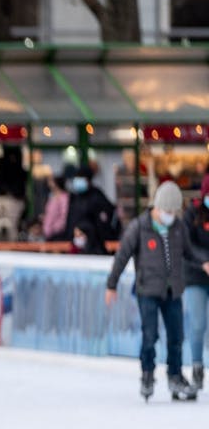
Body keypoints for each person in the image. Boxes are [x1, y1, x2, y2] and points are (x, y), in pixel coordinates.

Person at [105, 181, 209, 402]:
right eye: (168, 211)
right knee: (150, 336)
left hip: (173, 291)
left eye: (174, 211)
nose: (171, 215)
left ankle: (175, 375)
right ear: (157, 207)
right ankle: (148, 373)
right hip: (148, 290)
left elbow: (189, 253)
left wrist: (204, 262)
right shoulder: (139, 227)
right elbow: (122, 256)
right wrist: (111, 285)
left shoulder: (178, 227)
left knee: (176, 337)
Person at [185, 172, 209, 390]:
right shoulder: (192, 214)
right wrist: (204, 262)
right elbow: (187, 245)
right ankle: (197, 365)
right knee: (198, 323)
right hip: (195, 276)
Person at [66, 165, 117, 243]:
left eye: (81, 178)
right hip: (75, 242)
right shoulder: (75, 197)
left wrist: (88, 235)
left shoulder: (97, 196)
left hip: (93, 244)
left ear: (88, 180)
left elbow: (103, 222)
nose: (77, 181)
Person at [41, 174, 70, 241]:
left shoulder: (64, 197)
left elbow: (64, 215)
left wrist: (55, 228)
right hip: (49, 233)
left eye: (51, 181)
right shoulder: (52, 197)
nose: (49, 183)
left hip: (57, 234)